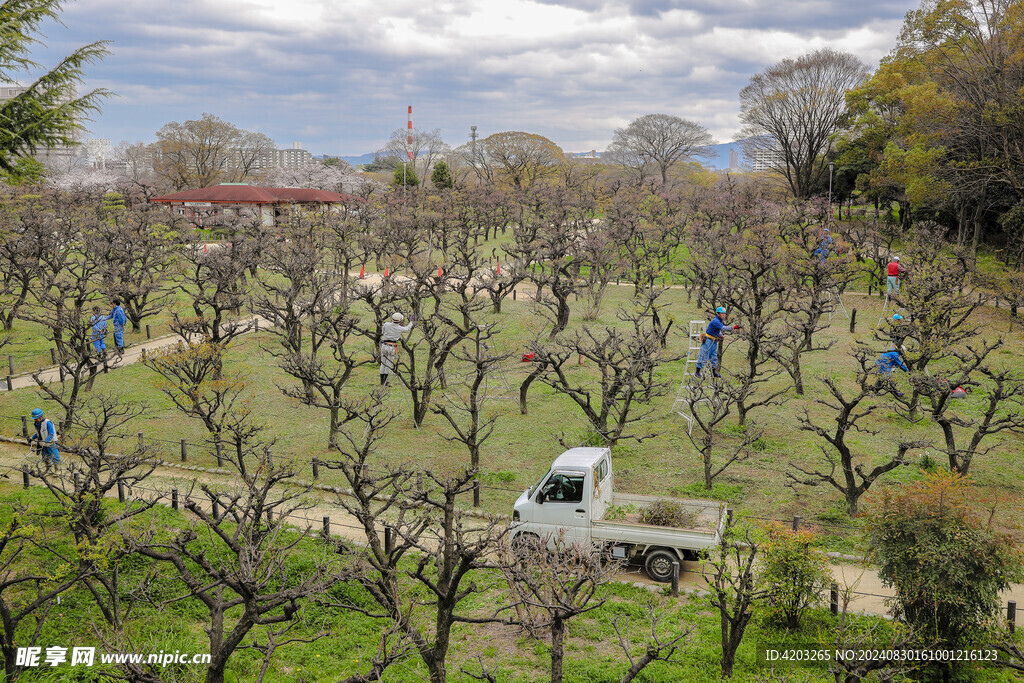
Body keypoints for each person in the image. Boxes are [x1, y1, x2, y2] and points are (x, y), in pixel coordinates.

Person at [694, 307, 740, 379]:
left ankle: (714, 372)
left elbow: (718, 330)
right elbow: (723, 328)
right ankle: (697, 372)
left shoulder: (719, 321)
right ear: (718, 314)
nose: (724, 315)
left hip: (714, 341)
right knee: (703, 356)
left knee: (714, 357)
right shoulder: (715, 321)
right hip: (708, 341)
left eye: (724, 314)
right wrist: (733, 327)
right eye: (722, 314)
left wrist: (720, 335)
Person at [379, 312, 414, 386]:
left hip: (384, 345)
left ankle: (382, 381)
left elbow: (383, 332)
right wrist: (411, 321)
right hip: (392, 346)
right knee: (388, 364)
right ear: (400, 320)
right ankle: (385, 382)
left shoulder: (386, 324)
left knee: (383, 363)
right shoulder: (400, 328)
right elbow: (407, 328)